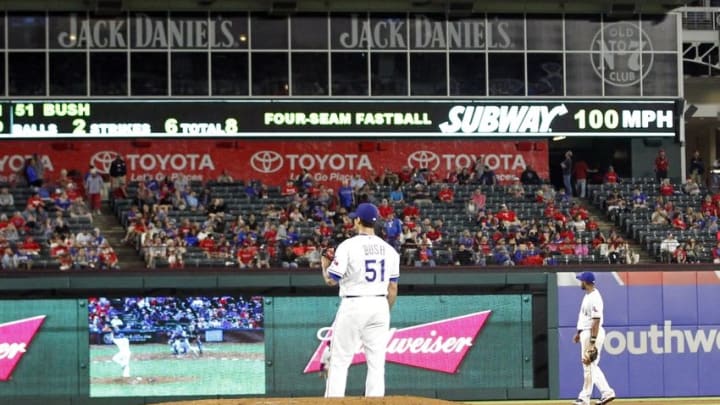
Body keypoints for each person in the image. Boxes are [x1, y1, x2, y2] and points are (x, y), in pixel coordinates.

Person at [321, 203, 400, 398]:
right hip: (380, 304)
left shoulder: (348, 246)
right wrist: (384, 310)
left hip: (354, 303)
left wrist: (324, 265)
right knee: (376, 362)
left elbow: (331, 279)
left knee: (339, 360)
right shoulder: (389, 250)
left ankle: (333, 402)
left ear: (357, 220)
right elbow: (393, 287)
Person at [572, 272, 616, 405]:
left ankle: (584, 398)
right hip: (587, 332)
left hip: (592, 333)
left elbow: (596, 321)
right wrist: (579, 333)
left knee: (587, 364)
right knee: (591, 365)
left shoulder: (595, 297)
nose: (580, 282)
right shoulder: (588, 296)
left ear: (585, 282)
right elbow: (586, 318)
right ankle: (607, 392)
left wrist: (592, 342)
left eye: (581, 280)